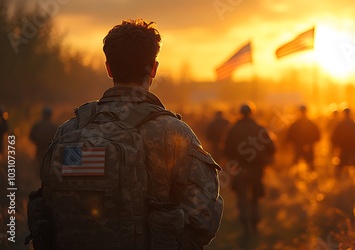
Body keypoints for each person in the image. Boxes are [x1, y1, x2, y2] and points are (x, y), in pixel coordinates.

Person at [28, 19, 223, 250]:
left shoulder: (70, 130)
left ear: (108, 68)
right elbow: (205, 219)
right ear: (153, 69)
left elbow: (51, 205)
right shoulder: (173, 133)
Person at [224, 104, 275, 241]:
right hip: (256, 169)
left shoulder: (233, 129)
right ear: (252, 113)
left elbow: (226, 150)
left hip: (240, 168)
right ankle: (254, 226)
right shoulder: (260, 128)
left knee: (242, 198)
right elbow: (271, 148)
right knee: (255, 198)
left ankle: (245, 227)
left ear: (240, 113)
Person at [285, 105, 320, 170]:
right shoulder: (311, 124)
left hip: (299, 146)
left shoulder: (295, 124)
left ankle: (297, 176)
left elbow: (289, 136)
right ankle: (310, 176)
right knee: (309, 164)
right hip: (308, 146)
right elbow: (317, 136)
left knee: (297, 163)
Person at [330, 108, 355, 174]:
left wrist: (334, 147)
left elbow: (334, 137)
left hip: (343, 150)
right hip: (354, 150)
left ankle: (339, 182)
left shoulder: (340, 125)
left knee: (340, 168)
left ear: (343, 114)